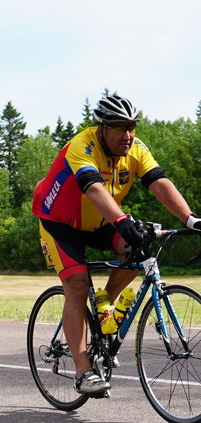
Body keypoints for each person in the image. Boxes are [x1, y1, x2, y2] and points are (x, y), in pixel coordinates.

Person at [32, 94, 201, 395]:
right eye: (120, 128)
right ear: (101, 128)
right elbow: (94, 188)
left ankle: (102, 309)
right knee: (77, 287)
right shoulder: (81, 146)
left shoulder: (135, 148)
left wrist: (191, 219)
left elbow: (159, 182)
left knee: (140, 250)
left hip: (99, 222)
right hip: (59, 225)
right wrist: (123, 221)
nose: (128, 135)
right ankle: (83, 372)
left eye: (132, 127)